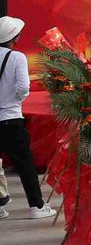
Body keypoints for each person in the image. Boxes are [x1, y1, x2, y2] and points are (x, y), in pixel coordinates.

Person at [0, 17, 53, 219]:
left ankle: (0, 206)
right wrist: (14, 99)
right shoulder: (17, 58)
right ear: (15, 37)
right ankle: (37, 207)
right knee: (25, 164)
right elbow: (23, 87)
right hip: (10, 118)